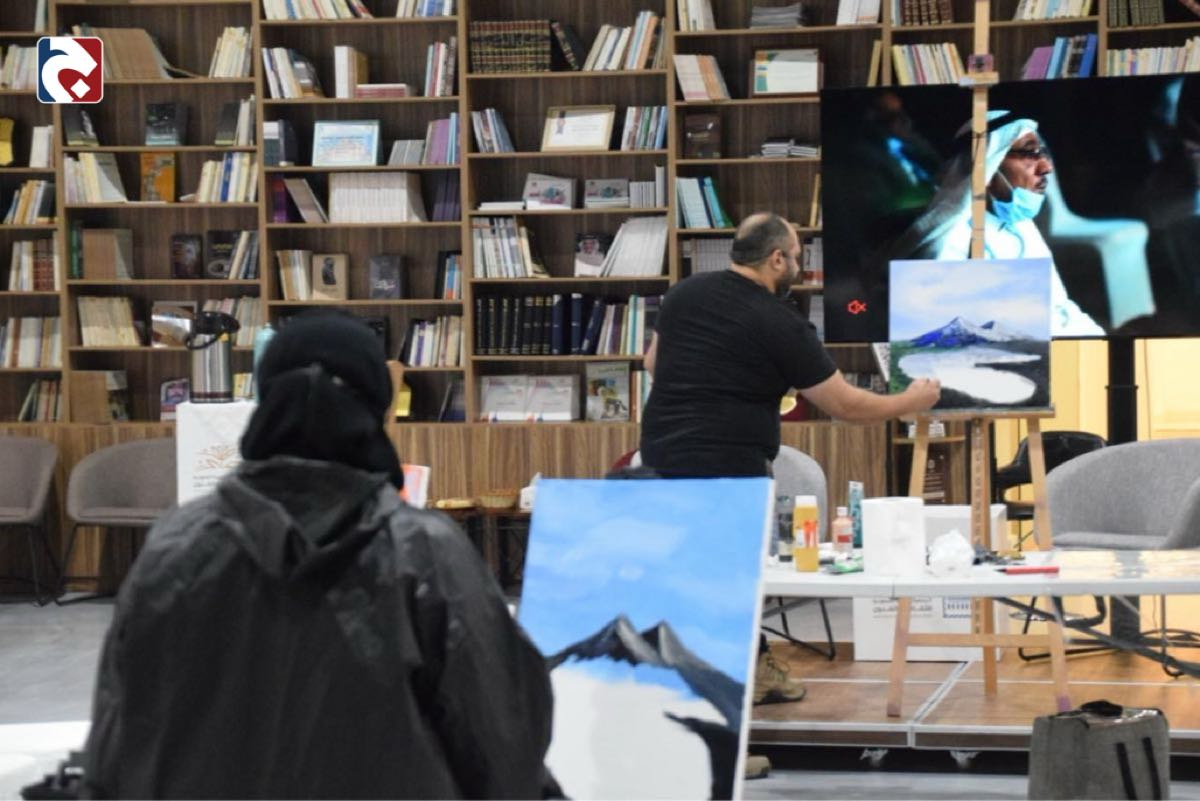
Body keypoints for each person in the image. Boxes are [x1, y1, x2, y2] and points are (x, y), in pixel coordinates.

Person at [82, 311, 554, 799]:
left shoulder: (174, 547)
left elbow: (114, 754)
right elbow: (505, 743)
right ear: (377, 410)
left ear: (265, 400)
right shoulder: (426, 553)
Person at [639, 212, 941, 707]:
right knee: (729, 580)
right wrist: (911, 400)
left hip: (659, 454)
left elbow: (653, 363)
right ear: (777, 258)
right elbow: (846, 406)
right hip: (728, 466)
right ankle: (735, 690)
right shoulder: (779, 321)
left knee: (689, 574)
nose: (799, 265)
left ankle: (724, 675)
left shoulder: (683, 293)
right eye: (798, 256)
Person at [895, 112, 1106, 336]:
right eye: (1029, 153)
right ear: (986, 168)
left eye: (1042, 152)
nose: (1046, 167)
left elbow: (1059, 308)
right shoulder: (947, 243)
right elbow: (941, 345)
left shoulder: (1021, 225)